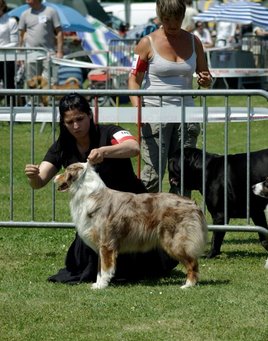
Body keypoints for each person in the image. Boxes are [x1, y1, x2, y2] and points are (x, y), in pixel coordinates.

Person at [24, 93, 177, 284]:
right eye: (69, 122)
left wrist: (105, 151)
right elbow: (40, 181)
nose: (76, 126)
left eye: (80, 119)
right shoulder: (62, 146)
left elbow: (133, 147)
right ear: (63, 123)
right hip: (96, 216)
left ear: (90, 115)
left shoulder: (110, 132)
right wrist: (33, 176)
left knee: (138, 265)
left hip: (131, 210)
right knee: (81, 263)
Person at [128, 0, 212, 194]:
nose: (173, 24)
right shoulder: (146, 43)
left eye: (177, 19)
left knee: (184, 174)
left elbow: (205, 75)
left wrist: (206, 80)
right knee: (152, 174)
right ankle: (146, 220)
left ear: (183, 16)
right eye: (167, 19)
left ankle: (179, 220)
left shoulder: (194, 41)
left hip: (186, 116)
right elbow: (133, 80)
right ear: (159, 15)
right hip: (155, 115)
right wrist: (138, 110)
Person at [18, 0, 64, 82]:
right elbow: (21, 35)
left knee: (49, 83)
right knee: (31, 83)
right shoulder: (24, 14)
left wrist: (59, 51)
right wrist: (19, 53)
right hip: (30, 55)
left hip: (49, 54)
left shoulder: (51, 11)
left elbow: (59, 32)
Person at [0, 0, 19, 90]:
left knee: (9, 85)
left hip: (7, 59)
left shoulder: (11, 21)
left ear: (2, 7)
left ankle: (11, 104)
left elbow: (15, 43)